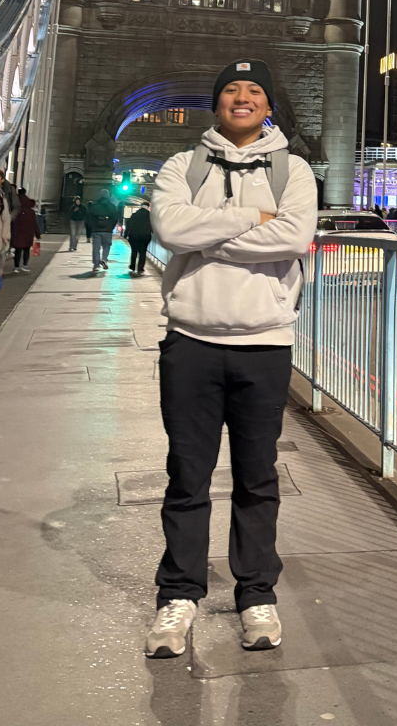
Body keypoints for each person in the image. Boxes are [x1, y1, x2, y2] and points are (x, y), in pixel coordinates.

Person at [146, 58, 316, 659]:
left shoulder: (293, 170)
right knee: (187, 476)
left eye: (255, 91)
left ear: (269, 106)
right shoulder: (180, 165)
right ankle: (179, 594)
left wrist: (208, 229)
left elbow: (295, 239)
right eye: (231, 91)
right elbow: (167, 227)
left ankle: (255, 593)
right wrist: (253, 220)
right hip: (189, 340)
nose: (242, 98)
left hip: (264, 343)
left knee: (258, 478)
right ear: (215, 103)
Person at [87, 189, 119, 273]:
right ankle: (104, 259)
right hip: (107, 230)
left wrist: (93, 227)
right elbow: (115, 218)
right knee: (106, 246)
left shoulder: (94, 206)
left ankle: (96, 265)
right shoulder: (112, 207)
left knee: (96, 248)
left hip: (96, 230)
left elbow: (89, 218)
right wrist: (111, 227)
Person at [10, 188, 41, 272]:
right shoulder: (31, 211)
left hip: (17, 233)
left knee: (18, 250)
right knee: (26, 250)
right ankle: (25, 265)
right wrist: (37, 234)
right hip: (28, 233)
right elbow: (35, 224)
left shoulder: (16, 210)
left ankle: (16, 267)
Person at [125, 200, 153, 277]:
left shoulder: (134, 215)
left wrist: (125, 234)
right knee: (143, 252)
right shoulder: (150, 216)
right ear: (148, 207)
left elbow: (128, 225)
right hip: (145, 236)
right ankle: (140, 268)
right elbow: (153, 226)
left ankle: (132, 266)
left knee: (134, 251)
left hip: (133, 235)